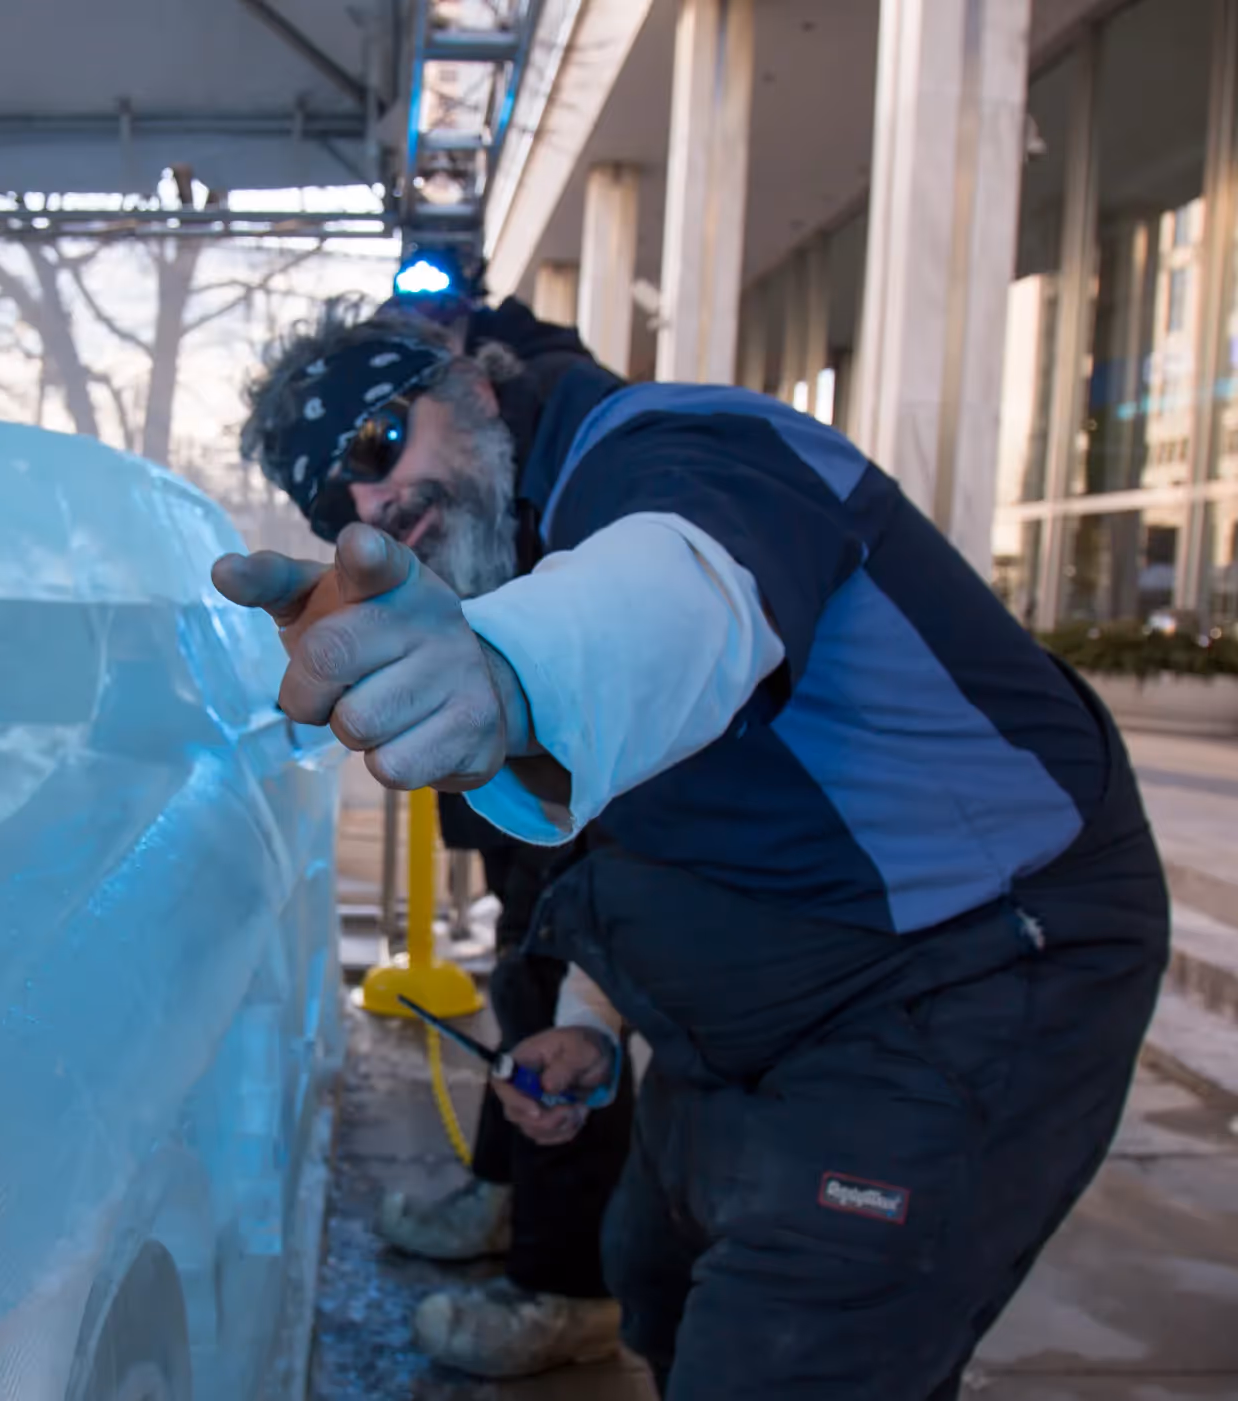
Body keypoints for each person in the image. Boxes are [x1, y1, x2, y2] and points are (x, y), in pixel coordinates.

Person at [217, 296, 1169, 1398]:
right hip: (768, 992)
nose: (378, 500)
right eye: (336, 497)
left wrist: (517, 673)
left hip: (973, 965)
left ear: (472, 386)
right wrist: (586, 1027)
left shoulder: (684, 448)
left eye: (377, 443)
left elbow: (681, 589)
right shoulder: (506, 549)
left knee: (789, 1350)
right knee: (652, 1280)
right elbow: (641, 819)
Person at [338, 300, 634, 1379]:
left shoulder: (561, 419)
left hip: (579, 766)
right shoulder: (488, 439)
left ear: (458, 369)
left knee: (572, 995)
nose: (372, 501)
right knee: (527, 969)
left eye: (379, 439)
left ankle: (568, 1287)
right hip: (523, 768)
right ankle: (506, 1195)